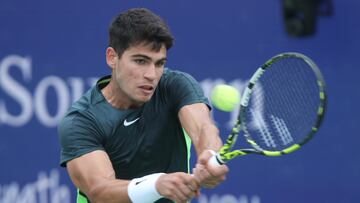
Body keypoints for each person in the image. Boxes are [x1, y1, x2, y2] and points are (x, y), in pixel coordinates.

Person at [58, 8, 228, 203]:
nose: (151, 75)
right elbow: (100, 191)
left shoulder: (175, 85)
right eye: (140, 61)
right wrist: (156, 185)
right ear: (112, 57)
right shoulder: (82, 121)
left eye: (159, 63)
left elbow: (203, 128)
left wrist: (209, 153)